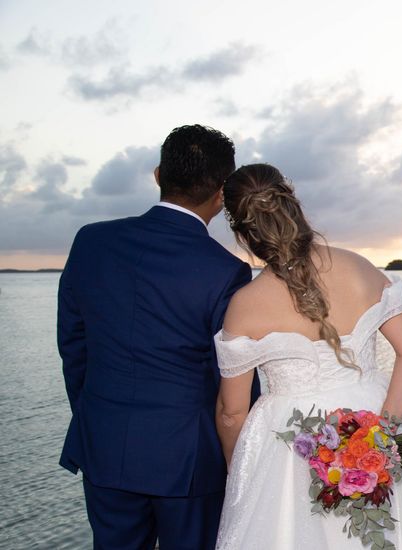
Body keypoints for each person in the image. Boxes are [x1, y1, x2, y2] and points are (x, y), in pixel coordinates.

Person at [213, 163, 402, 549]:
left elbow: (232, 412)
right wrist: (380, 437)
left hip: (288, 451)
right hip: (372, 417)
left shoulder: (244, 306)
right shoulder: (360, 268)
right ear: (293, 204)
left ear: (244, 234)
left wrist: (240, 470)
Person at [58, 125, 257, 549]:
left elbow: (73, 347)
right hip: (188, 460)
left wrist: (97, 415)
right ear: (222, 193)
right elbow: (233, 382)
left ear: (157, 174)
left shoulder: (90, 241)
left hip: (104, 444)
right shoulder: (227, 272)